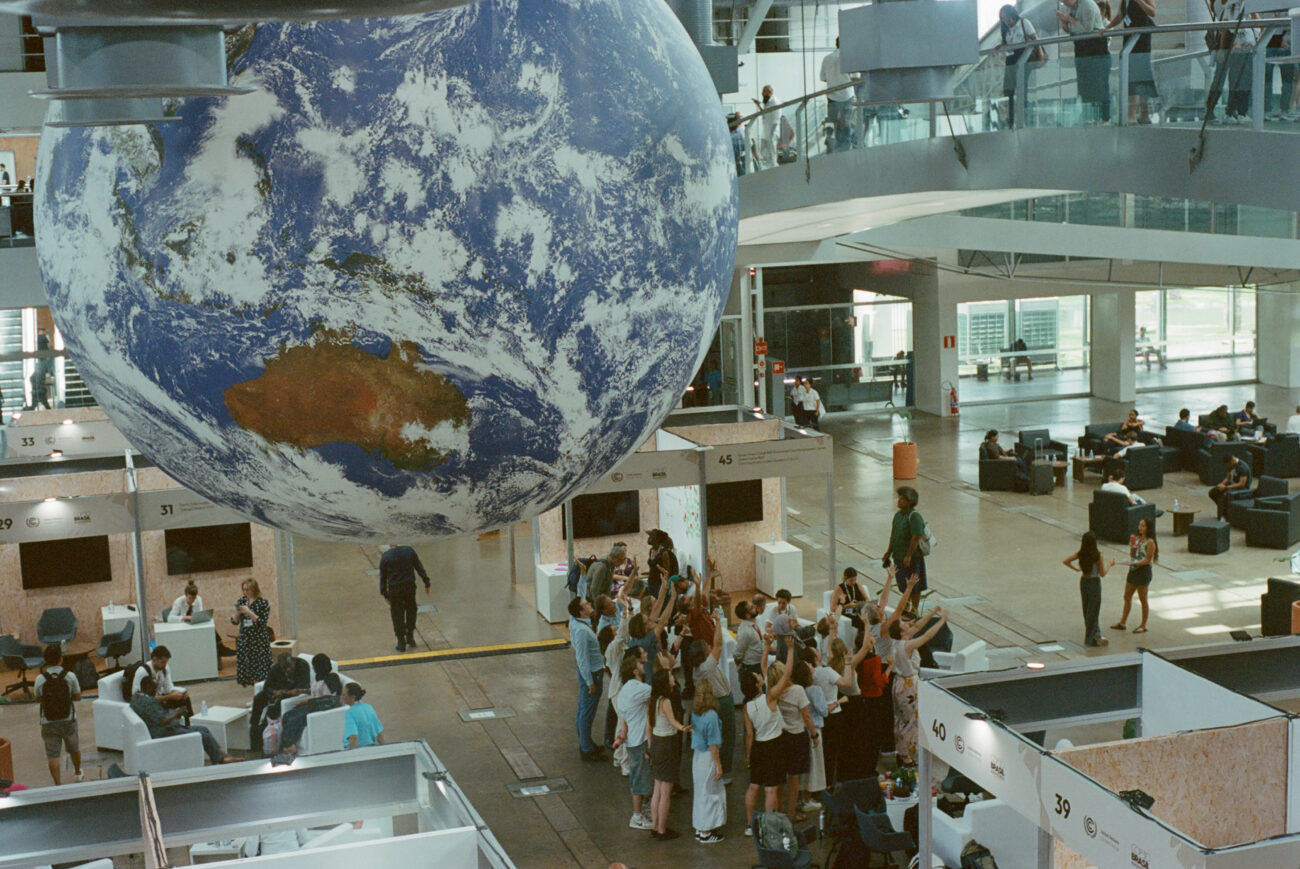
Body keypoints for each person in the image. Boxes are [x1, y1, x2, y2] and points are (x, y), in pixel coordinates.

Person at [879, 603, 948, 767]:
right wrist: (942, 620)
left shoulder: (894, 642)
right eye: (905, 625)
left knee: (902, 719)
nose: (909, 625)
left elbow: (917, 626)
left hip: (899, 683)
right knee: (910, 721)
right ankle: (905, 755)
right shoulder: (907, 645)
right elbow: (927, 636)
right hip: (909, 685)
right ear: (903, 632)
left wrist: (932, 613)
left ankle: (902, 751)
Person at [742, 632, 795, 837]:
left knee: (754, 786)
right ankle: (770, 827)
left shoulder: (747, 706)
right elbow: (786, 674)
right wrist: (790, 649)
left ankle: (749, 825)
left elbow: (748, 734)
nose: (759, 676)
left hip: (758, 747)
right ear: (757, 685)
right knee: (771, 790)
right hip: (774, 746)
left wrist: (748, 755)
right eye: (757, 678)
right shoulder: (770, 697)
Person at [131, 675, 233, 764]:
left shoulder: (137, 698)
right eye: (154, 688)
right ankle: (220, 759)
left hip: (161, 728)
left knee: (203, 729)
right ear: (148, 687)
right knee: (203, 734)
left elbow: (156, 716)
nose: (156, 691)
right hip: (164, 732)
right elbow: (162, 721)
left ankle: (221, 755)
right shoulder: (149, 702)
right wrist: (177, 712)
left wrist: (173, 713)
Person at [647, 666, 691, 841]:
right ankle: (663, 830)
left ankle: (655, 826)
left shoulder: (652, 701)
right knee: (666, 790)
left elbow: (648, 727)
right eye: (671, 676)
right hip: (667, 744)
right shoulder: (665, 701)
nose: (673, 678)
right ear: (665, 683)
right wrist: (684, 728)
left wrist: (650, 749)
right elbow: (673, 721)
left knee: (657, 788)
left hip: (657, 744)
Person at [614, 647, 654, 831]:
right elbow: (660, 692)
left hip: (631, 742)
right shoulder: (639, 689)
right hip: (640, 742)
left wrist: (622, 734)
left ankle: (641, 812)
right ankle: (637, 816)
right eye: (640, 663)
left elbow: (623, 722)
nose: (643, 664)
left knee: (636, 778)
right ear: (634, 670)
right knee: (640, 780)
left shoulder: (623, 692)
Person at [33, 644, 82, 785]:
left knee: (53, 755)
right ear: (61, 659)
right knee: (74, 748)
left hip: (48, 721)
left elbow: (37, 698)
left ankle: (58, 785)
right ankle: (78, 772)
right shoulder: (70, 676)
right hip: (68, 719)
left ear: (45, 660)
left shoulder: (40, 679)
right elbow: (78, 696)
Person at [1058, 0, 1110, 122]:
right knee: (1085, 85)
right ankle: (1090, 115)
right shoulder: (1072, 8)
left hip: (1094, 47)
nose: (1064, 3)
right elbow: (1071, 30)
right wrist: (1064, 21)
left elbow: (1087, 29)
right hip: (1081, 48)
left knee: (1097, 84)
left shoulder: (1087, 4)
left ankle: (1103, 117)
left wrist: (1070, 19)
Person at [249, 650, 310, 753]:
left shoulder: (302, 666)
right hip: (279, 692)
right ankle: (254, 727)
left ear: (293, 663)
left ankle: (265, 733)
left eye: (289, 667)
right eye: (285, 668)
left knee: (274, 709)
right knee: (259, 698)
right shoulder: (276, 668)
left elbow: (303, 687)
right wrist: (276, 692)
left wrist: (286, 693)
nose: (287, 670)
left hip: (290, 695)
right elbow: (267, 687)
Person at [1106, 0, 1156, 123]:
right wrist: (1107, 28)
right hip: (1130, 37)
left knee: (1139, 73)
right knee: (1133, 73)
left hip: (1141, 38)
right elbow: (1120, 15)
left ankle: (1136, 113)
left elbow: (1152, 12)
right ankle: (1140, 113)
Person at [568, 597, 606, 762]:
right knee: (587, 712)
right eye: (586, 604)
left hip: (590, 673)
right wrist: (590, 682)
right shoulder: (582, 631)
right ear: (581, 611)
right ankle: (586, 748)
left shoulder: (576, 622)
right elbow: (582, 658)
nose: (590, 604)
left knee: (583, 709)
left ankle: (587, 742)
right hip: (592, 674)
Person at [690, 680, 726, 843]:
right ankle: (706, 831)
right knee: (710, 793)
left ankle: (700, 827)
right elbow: (713, 744)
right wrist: (718, 765)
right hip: (708, 757)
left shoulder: (695, 712)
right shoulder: (712, 715)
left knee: (700, 793)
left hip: (697, 755)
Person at [1065, 532, 1114, 647]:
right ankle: (1091, 637)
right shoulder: (1097, 555)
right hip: (1094, 583)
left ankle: (1096, 632)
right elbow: (1102, 573)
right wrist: (1110, 565)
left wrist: (1076, 569)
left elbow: (1066, 561)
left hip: (1084, 581)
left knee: (1087, 609)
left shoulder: (1081, 553)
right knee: (1094, 609)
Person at [379, 544, 431, 652]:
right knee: (411, 609)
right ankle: (410, 636)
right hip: (409, 585)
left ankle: (400, 641)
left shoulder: (385, 557)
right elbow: (419, 567)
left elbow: (383, 577)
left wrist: (385, 593)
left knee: (397, 614)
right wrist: (426, 581)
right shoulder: (409, 551)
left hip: (395, 588)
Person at [882, 486, 927, 613]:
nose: (899, 500)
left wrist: (909, 555)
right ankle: (906, 606)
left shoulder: (914, 516)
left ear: (909, 502)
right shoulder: (898, 516)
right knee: (903, 583)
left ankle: (914, 609)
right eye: (899, 498)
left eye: (902, 499)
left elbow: (916, 536)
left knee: (914, 584)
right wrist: (888, 552)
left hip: (912, 558)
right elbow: (894, 535)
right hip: (898, 556)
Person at [1112, 517, 1157, 634]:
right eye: (1139, 525)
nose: (1140, 528)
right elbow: (1133, 554)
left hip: (1143, 572)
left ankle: (1143, 625)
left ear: (1148, 528)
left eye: (1143, 526)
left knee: (1143, 598)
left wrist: (1136, 563)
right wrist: (1131, 546)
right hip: (1133, 570)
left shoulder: (1150, 542)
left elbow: (1148, 560)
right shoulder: (1137, 539)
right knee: (1127, 596)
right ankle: (1122, 622)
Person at [999, 6, 1040, 129]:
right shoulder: (1006, 30)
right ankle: (1011, 120)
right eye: (1003, 18)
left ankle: (1023, 117)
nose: (1005, 20)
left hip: (1023, 57)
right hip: (1011, 59)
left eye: (1006, 16)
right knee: (1009, 89)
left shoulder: (1023, 23)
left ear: (1012, 14)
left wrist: (1040, 55)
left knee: (1022, 87)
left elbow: (1034, 39)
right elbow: (1007, 44)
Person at [132, 645, 194, 722]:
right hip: (148, 704)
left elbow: (168, 688)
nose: (165, 665)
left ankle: (189, 722)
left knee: (185, 699)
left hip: (159, 698)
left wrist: (180, 693)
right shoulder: (143, 672)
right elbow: (140, 698)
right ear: (154, 659)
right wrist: (169, 697)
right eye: (163, 662)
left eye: (166, 662)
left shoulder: (164, 668)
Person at [232, 578, 272, 687]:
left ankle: (261, 694)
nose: (246, 592)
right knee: (249, 668)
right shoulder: (241, 601)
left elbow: (262, 622)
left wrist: (249, 612)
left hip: (258, 639)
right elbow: (234, 622)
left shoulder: (263, 602)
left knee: (260, 668)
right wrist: (237, 613)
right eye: (244, 590)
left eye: (248, 590)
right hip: (245, 639)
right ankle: (255, 693)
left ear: (254, 589)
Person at [821, 38, 856, 152]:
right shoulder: (849, 58)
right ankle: (845, 146)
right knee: (846, 121)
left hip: (832, 96)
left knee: (832, 119)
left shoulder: (827, 58)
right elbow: (855, 77)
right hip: (847, 95)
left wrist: (834, 80)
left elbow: (823, 78)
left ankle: (830, 139)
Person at [342, 682, 385, 748]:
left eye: (344, 695)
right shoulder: (369, 707)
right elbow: (379, 734)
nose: (342, 697)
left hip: (359, 750)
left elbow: (353, 737)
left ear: (352, 697)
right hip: (372, 747)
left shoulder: (350, 713)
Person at [1209, 454, 1252, 520]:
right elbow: (1228, 478)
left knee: (1224, 496)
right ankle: (1223, 511)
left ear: (1233, 461)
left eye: (1228, 464)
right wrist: (1221, 484)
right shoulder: (1231, 465)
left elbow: (1241, 484)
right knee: (1213, 492)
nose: (1228, 466)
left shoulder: (1243, 468)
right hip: (1232, 485)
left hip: (1242, 490)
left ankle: (1225, 514)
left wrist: (1226, 487)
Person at [830, 566, 869, 634]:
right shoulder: (839, 589)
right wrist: (848, 605)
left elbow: (867, 599)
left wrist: (860, 604)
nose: (853, 582)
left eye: (855, 579)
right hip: (847, 613)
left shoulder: (858, 585)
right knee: (862, 622)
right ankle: (862, 641)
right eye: (851, 580)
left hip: (859, 610)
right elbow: (833, 608)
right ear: (845, 578)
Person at [733, 599, 764, 680]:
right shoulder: (745, 632)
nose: (755, 607)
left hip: (761, 662)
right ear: (747, 615)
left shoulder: (757, 621)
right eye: (752, 607)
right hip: (751, 667)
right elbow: (737, 654)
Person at [751, 85, 779, 169]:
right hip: (766, 130)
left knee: (772, 150)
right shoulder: (768, 102)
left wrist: (772, 133)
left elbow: (775, 118)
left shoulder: (774, 102)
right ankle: (764, 166)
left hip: (772, 130)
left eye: (764, 91)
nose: (762, 94)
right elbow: (764, 113)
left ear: (769, 92)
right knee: (764, 150)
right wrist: (758, 105)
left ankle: (774, 166)